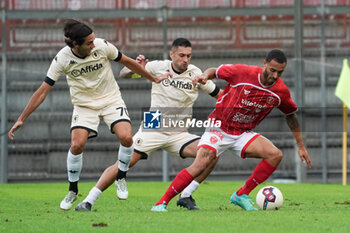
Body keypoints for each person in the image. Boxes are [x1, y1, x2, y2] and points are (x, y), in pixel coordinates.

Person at [8, 19, 170, 211]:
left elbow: (127, 61)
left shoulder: (102, 46)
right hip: (84, 106)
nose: (94, 45)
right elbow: (43, 90)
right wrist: (21, 118)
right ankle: (73, 190)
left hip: (111, 99)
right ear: (75, 44)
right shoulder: (62, 58)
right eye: (89, 43)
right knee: (77, 145)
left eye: (93, 40)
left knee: (127, 138)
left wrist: (153, 78)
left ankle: (120, 177)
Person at [151, 49, 312, 212]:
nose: (275, 76)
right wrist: (205, 76)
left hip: (242, 133)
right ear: (264, 63)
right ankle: (161, 203)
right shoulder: (242, 72)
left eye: (280, 72)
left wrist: (301, 145)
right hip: (218, 128)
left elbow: (291, 115)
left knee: (275, 155)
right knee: (201, 163)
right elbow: (215, 71)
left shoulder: (281, 91)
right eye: (272, 70)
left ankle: (241, 194)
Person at [74, 38, 222, 211]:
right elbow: (124, 74)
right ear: (172, 54)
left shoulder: (195, 73)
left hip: (179, 132)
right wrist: (139, 66)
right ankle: (88, 201)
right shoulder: (157, 66)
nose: (185, 60)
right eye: (181, 55)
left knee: (212, 152)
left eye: (189, 56)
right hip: (154, 125)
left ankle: (186, 195)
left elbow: (219, 94)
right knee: (124, 163)